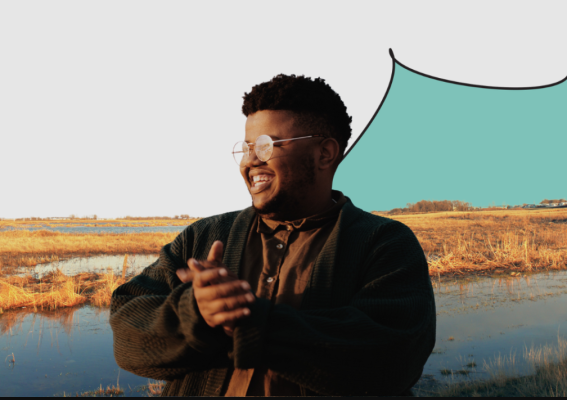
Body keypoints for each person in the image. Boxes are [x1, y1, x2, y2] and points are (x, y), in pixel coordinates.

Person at [109, 74, 435, 396]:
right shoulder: (203, 237)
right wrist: (194, 313)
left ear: (325, 154)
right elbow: (126, 334)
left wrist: (247, 322)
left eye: (266, 145)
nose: (250, 161)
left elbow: (393, 360)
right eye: (247, 147)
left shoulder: (383, 243)